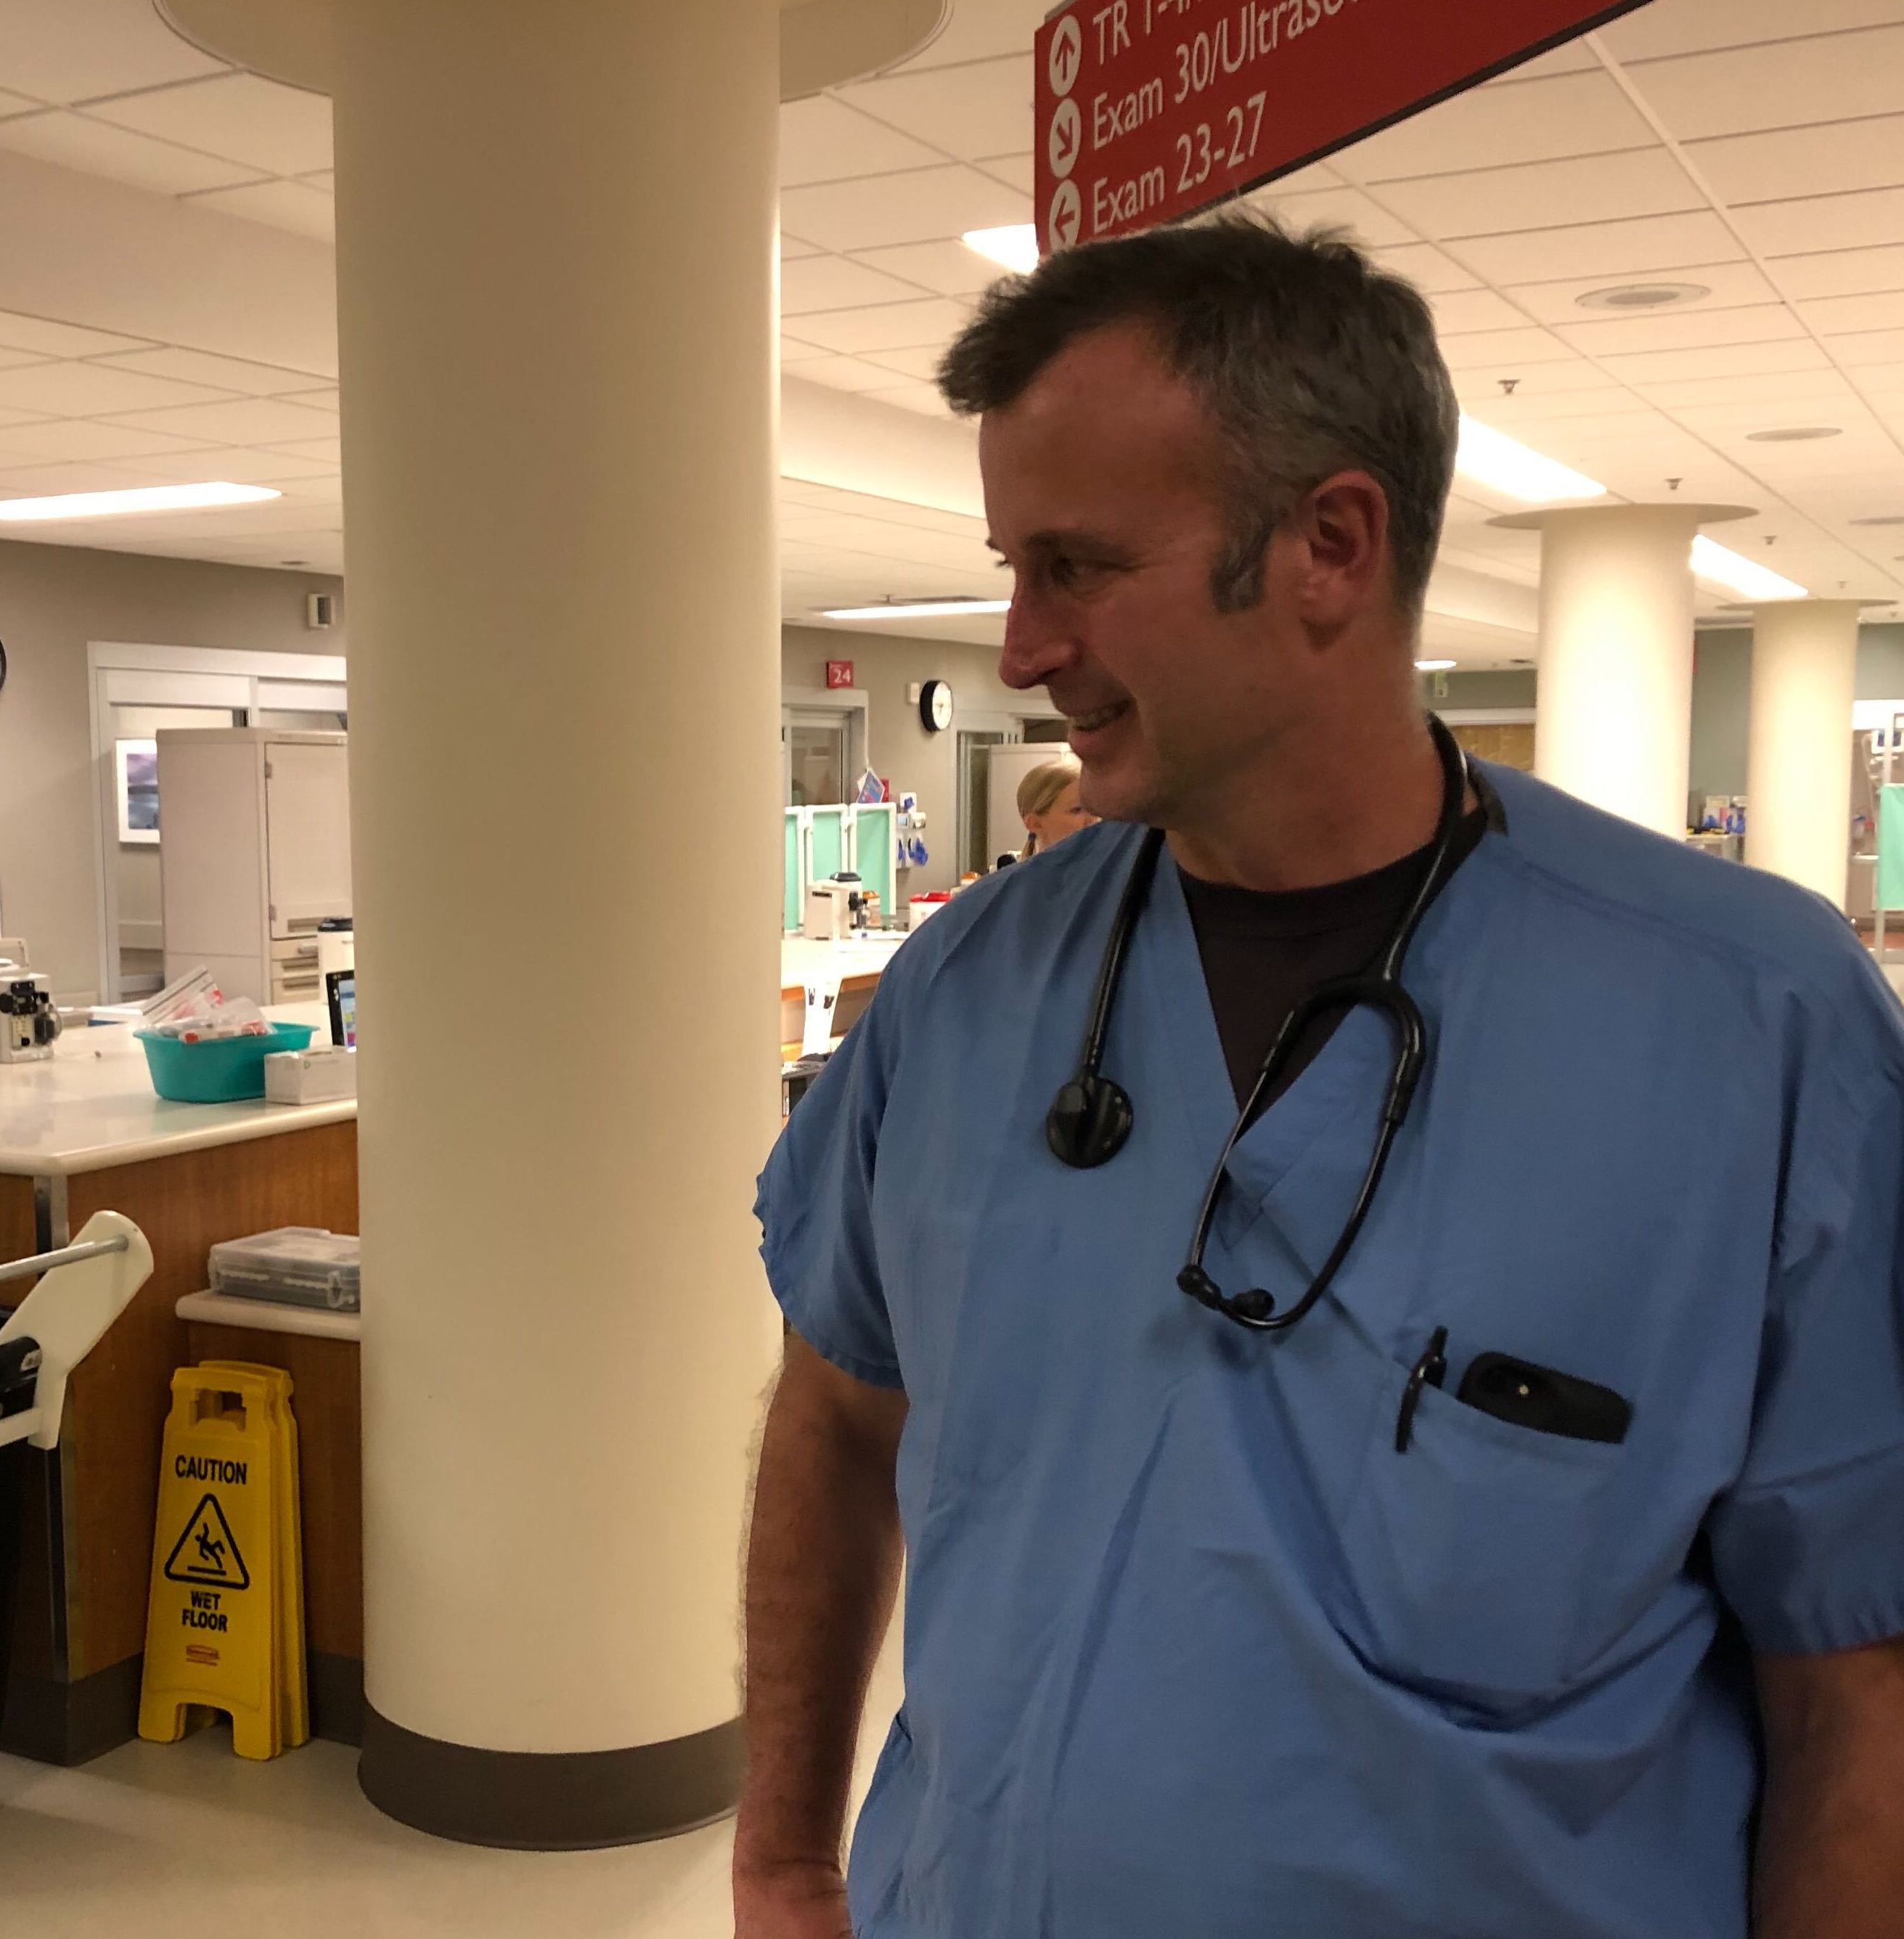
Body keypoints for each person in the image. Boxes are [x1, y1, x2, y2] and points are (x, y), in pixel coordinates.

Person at [735, 216, 1904, 1939]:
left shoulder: (1749, 1025)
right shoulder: (967, 992)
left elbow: (1850, 1677)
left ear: (1326, 547)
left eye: (1070, 565)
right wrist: (777, 1864)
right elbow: (832, 1413)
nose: (1015, 645)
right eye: (1007, 567)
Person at [1015, 757, 1092, 857]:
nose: (1093, 819)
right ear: (1036, 824)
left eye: (1094, 809)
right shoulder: (1023, 873)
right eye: (1077, 810)